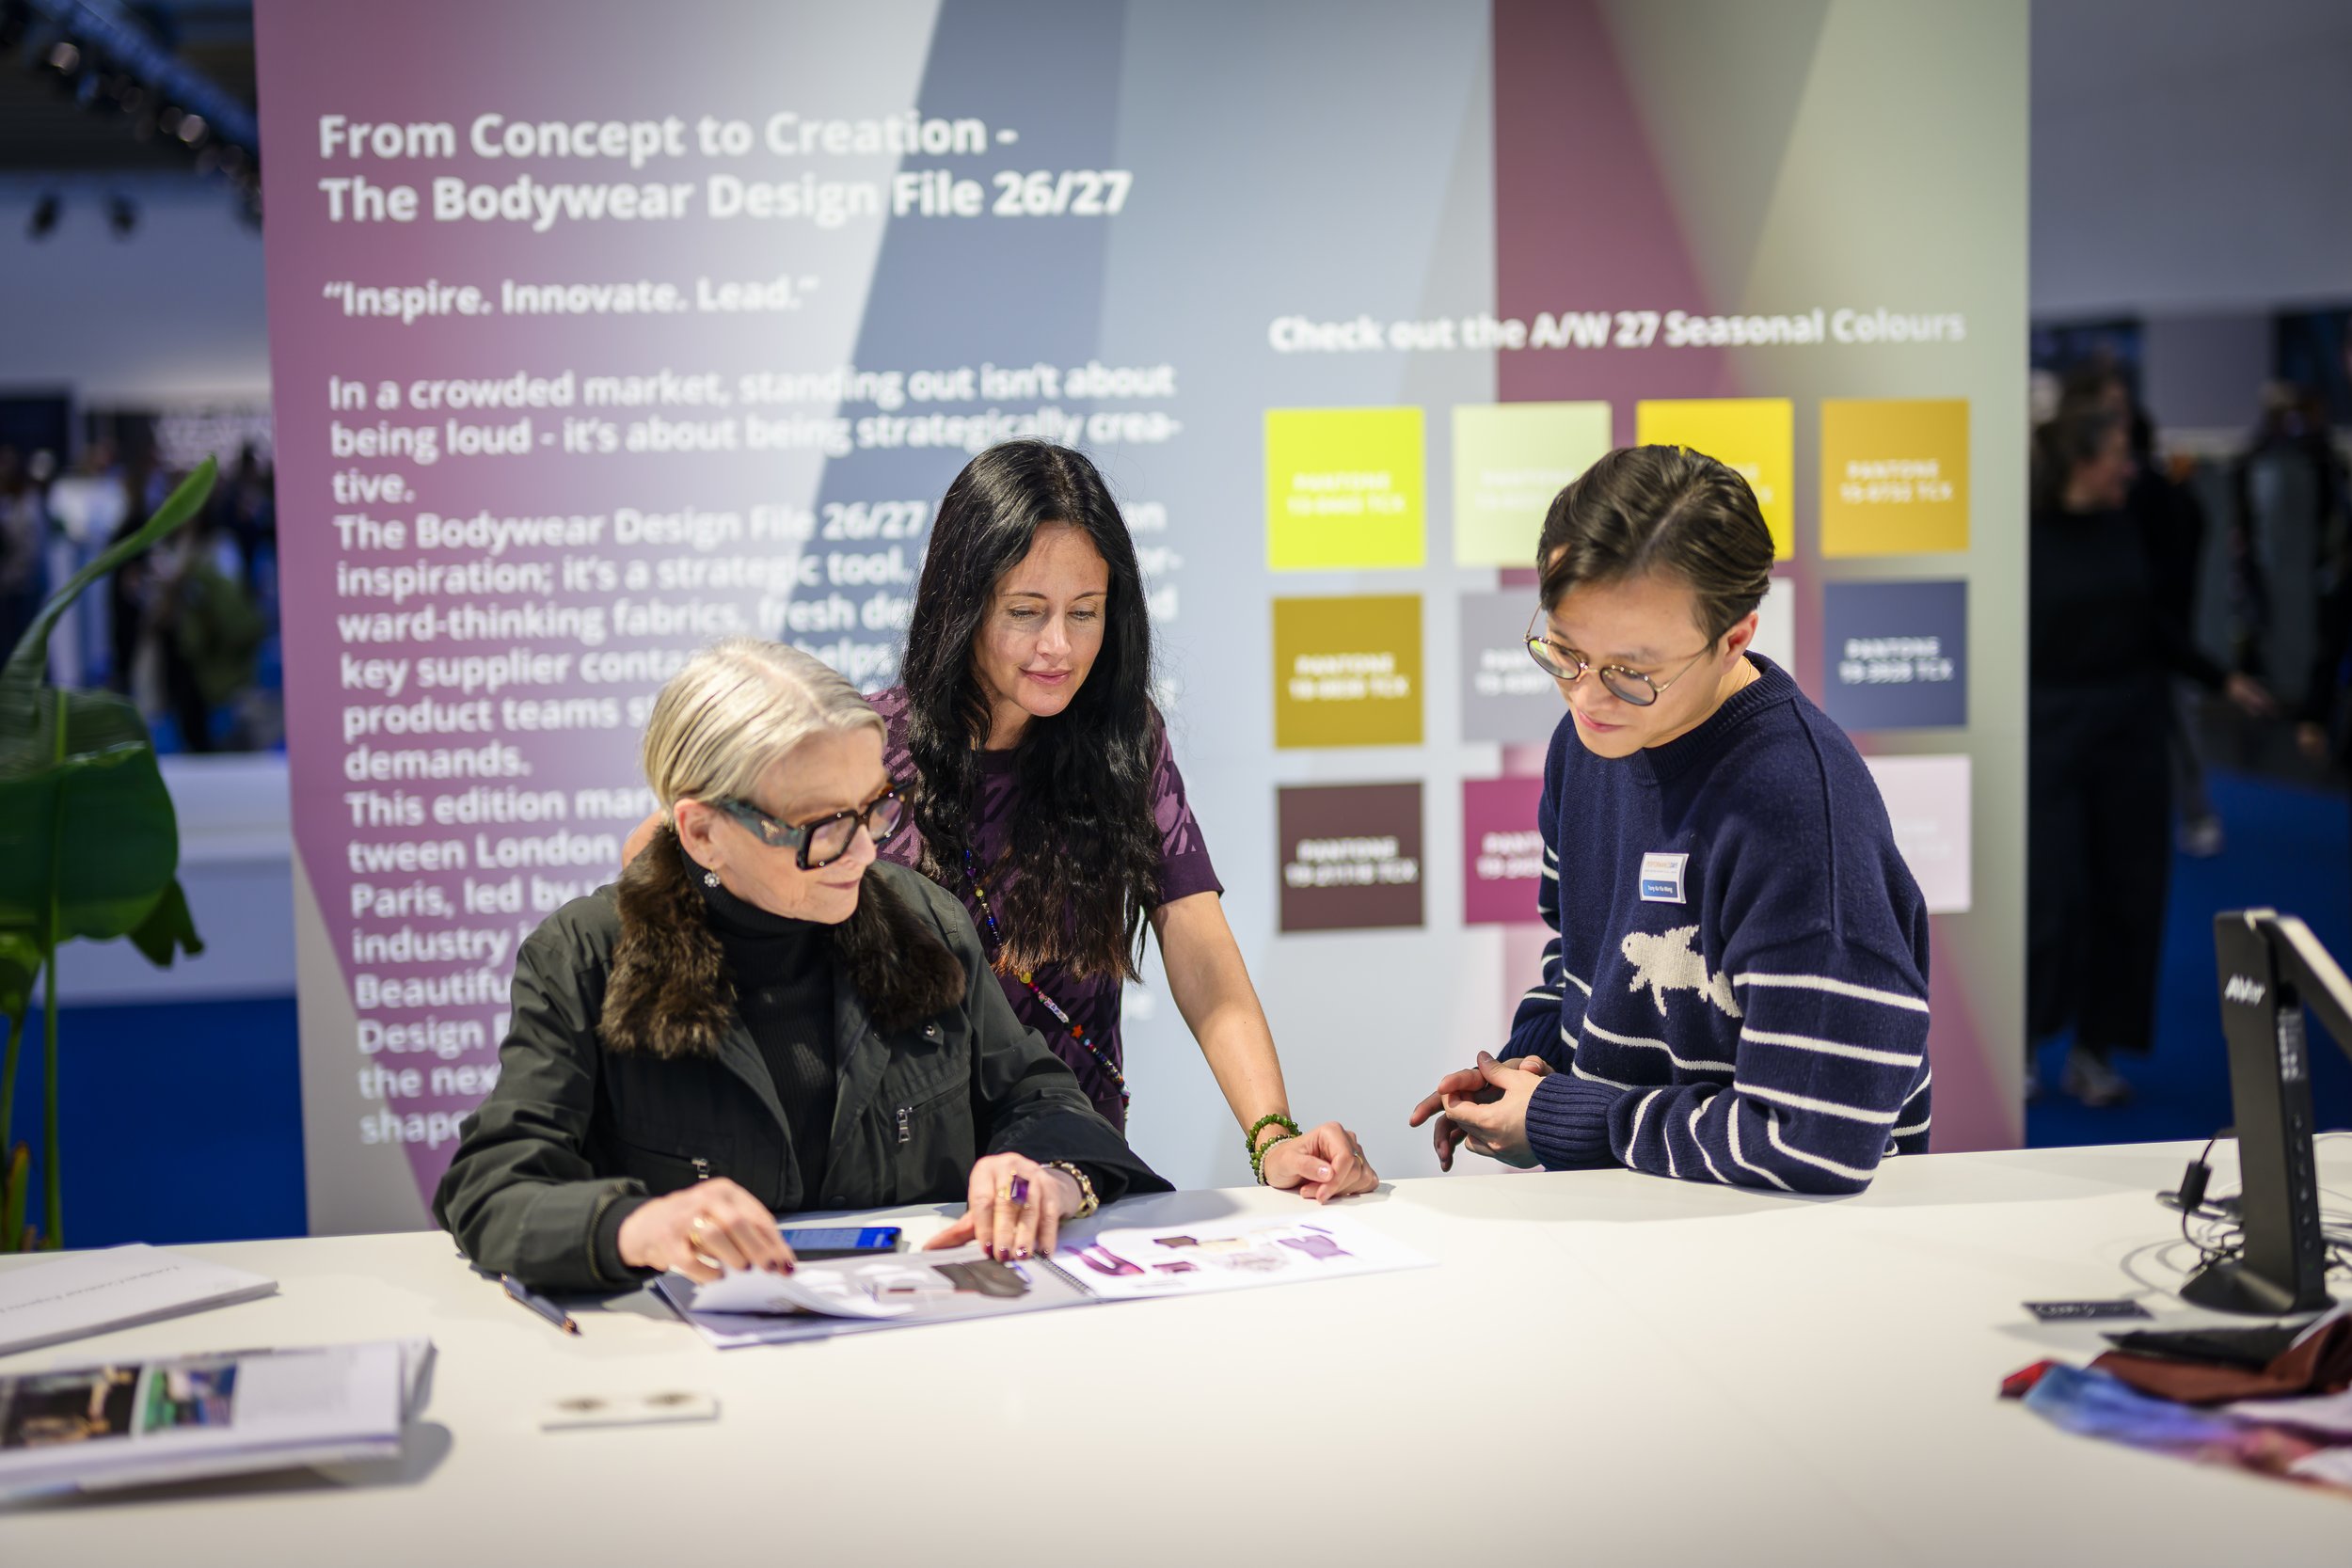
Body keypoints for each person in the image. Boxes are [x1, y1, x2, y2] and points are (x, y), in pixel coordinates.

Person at [628, 441, 1375, 1200]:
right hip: (904, 1181)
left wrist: (1270, 1137)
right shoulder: (867, 746)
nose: (1059, 645)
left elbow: (1201, 950)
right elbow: (669, 849)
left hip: (1069, 1175)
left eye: (1085, 613)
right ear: (963, 602)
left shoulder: (1126, 742)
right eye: (1026, 612)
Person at [437, 640, 1169, 1291]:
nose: (861, 852)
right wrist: (637, 1226)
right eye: (823, 827)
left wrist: (1041, 1175)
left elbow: (1043, 1100)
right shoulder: (584, 958)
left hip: (923, 1359)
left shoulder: (924, 922)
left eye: (875, 808)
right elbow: (493, 1185)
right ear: (702, 831)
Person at [1406, 445, 1931, 1192]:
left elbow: (1816, 1139)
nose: (1587, 696)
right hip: (1645, 1210)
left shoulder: (1797, 809)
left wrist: (1570, 1116)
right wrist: (1526, 1067)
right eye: (1563, 650)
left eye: (1632, 672)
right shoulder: (1587, 743)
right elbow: (1584, 960)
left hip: (1795, 1246)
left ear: (1735, 637)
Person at [2026, 406, 2270, 1108]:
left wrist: (2219, 675)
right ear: (2082, 461)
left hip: (2131, 736)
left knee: (2128, 897)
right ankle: (2026, 1042)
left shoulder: (2131, 524)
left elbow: (2155, 626)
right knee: (2053, 900)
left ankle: (2094, 1052)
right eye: (2117, 456)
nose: (2130, 469)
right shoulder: (2026, 540)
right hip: (2049, 733)